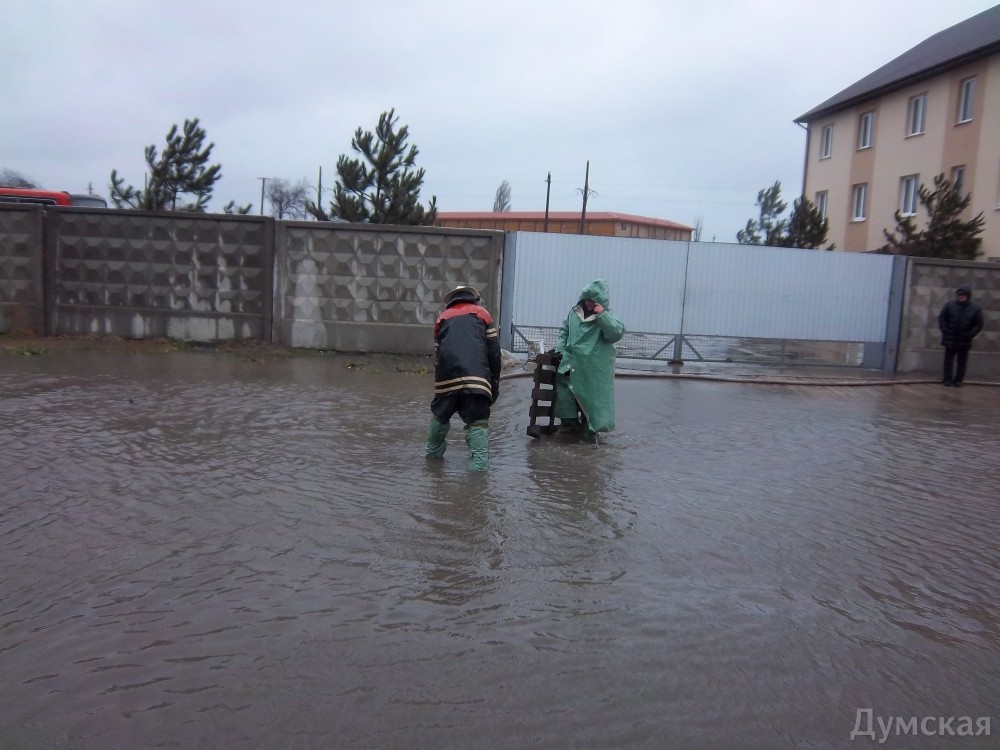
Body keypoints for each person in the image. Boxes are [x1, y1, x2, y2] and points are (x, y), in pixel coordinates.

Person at [425, 285, 501, 470]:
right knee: (478, 423)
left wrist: (439, 385)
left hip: (445, 382)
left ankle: (431, 464)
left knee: (440, 417)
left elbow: (438, 354)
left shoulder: (442, 318)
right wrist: (494, 382)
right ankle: (478, 478)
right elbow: (494, 352)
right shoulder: (482, 314)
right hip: (477, 381)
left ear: (452, 300)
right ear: (473, 298)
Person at [554, 279, 626, 439]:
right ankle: (569, 427)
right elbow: (564, 330)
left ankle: (589, 433)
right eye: (586, 299)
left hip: (593, 369)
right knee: (566, 396)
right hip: (570, 364)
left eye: (591, 300)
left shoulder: (608, 316)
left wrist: (603, 315)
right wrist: (560, 349)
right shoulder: (574, 313)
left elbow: (616, 334)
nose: (587, 303)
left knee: (591, 401)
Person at [938, 283, 984, 387]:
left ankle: (958, 380)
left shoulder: (975, 308)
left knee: (962, 362)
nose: (961, 297)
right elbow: (942, 318)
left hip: (964, 340)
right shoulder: (949, 305)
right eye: (959, 295)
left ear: (968, 296)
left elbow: (979, 324)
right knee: (948, 361)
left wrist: (970, 334)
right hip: (950, 338)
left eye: (963, 295)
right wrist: (945, 330)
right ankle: (947, 379)